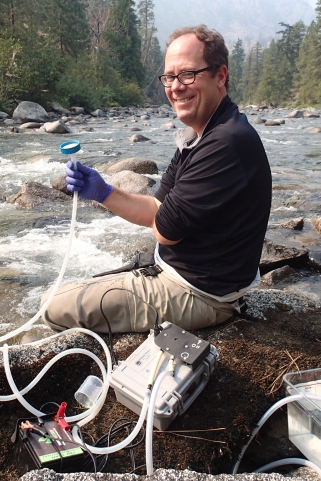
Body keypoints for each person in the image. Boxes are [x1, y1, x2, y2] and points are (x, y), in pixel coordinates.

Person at [41, 25, 271, 333]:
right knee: (79, 290)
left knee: (52, 305)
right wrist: (103, 191)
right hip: (181, 273)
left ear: (220, 76)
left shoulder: (225, 142)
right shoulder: (200, 135)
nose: (176, 87)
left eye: (188, 74)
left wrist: (156, 219)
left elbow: (164, 230)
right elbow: (155, 206)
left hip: (199, 293)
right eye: (169, 77)